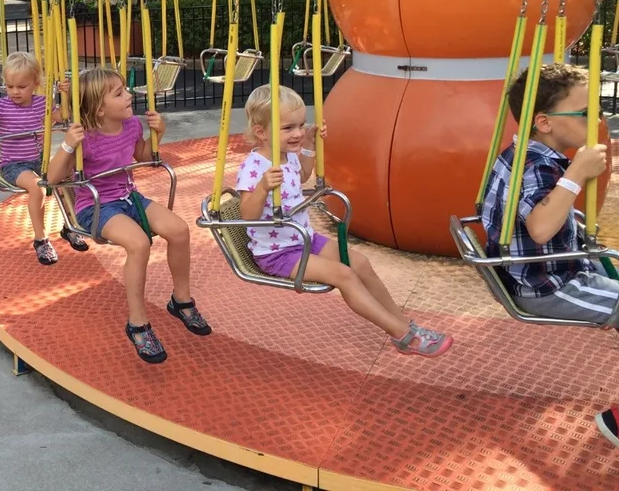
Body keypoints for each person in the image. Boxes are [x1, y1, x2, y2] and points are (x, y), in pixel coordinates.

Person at [236, 84, 453, 357]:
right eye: (289, 128)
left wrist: (309, 147)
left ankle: (403, 322)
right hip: (277, 252)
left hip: (304, 239)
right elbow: (247, 216)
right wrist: (262, 189)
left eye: (301, 125)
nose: (298, 133)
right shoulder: (254, 167)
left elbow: (302, 177)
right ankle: (403, 336)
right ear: (260, 132)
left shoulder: (287, 155)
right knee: (345, 275)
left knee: (360, 263)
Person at [479, 63, 617, 447]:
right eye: (587, 113)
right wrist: (577, 174)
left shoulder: (526, 152)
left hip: (559, 270)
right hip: (548, 285)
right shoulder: (538, 166)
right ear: (544, 122)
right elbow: (540, 228)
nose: (598, 121)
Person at [48, 67, 211, 364]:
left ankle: (181, 300)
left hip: (129, 198)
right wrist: (68, 144)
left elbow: (146, 160)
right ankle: (138, 324)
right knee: (139, 244)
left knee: (179, 230)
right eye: (119, 93)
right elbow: (53, 177)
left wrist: (158, 134)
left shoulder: (133, 126)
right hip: (95, 207)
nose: (129, 96)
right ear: (99, 107)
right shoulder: (84, 137)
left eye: (125, 90)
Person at [0, 52, 82, 265]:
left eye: (21, 87)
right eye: (10, 86)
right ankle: (41, 240)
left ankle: (71, 225)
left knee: (69, 174)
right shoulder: (1, 106)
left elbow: (62, 117)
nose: (15, 92)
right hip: (13, 165)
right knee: (38, 187)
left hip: (38, 161)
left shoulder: (42, 103)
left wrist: (65, 96)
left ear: (35, 84)